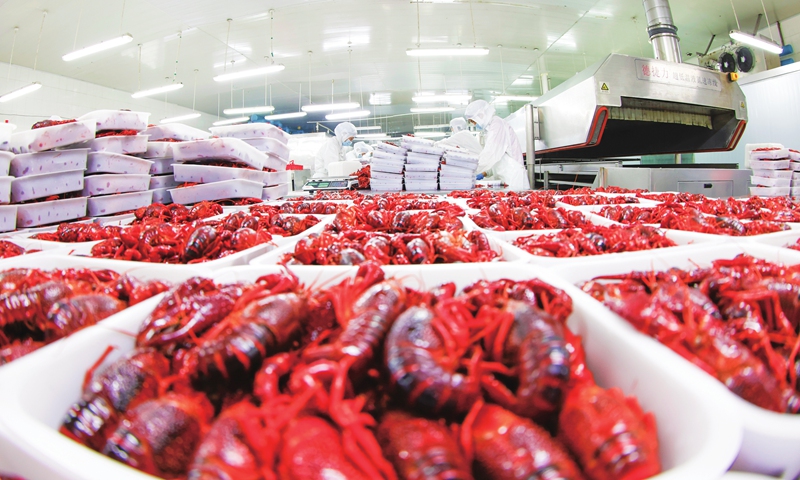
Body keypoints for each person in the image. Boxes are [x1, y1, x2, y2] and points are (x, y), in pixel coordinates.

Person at [464, 100, 530, 190]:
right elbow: (497, 160)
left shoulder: (497, 124)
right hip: (505, 179)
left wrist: (469, 170)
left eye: (474, 121)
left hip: (513, 178)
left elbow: (490, 154)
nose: (474, 124)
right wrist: (483, 173)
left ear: (481, 115)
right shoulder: (490, 129)